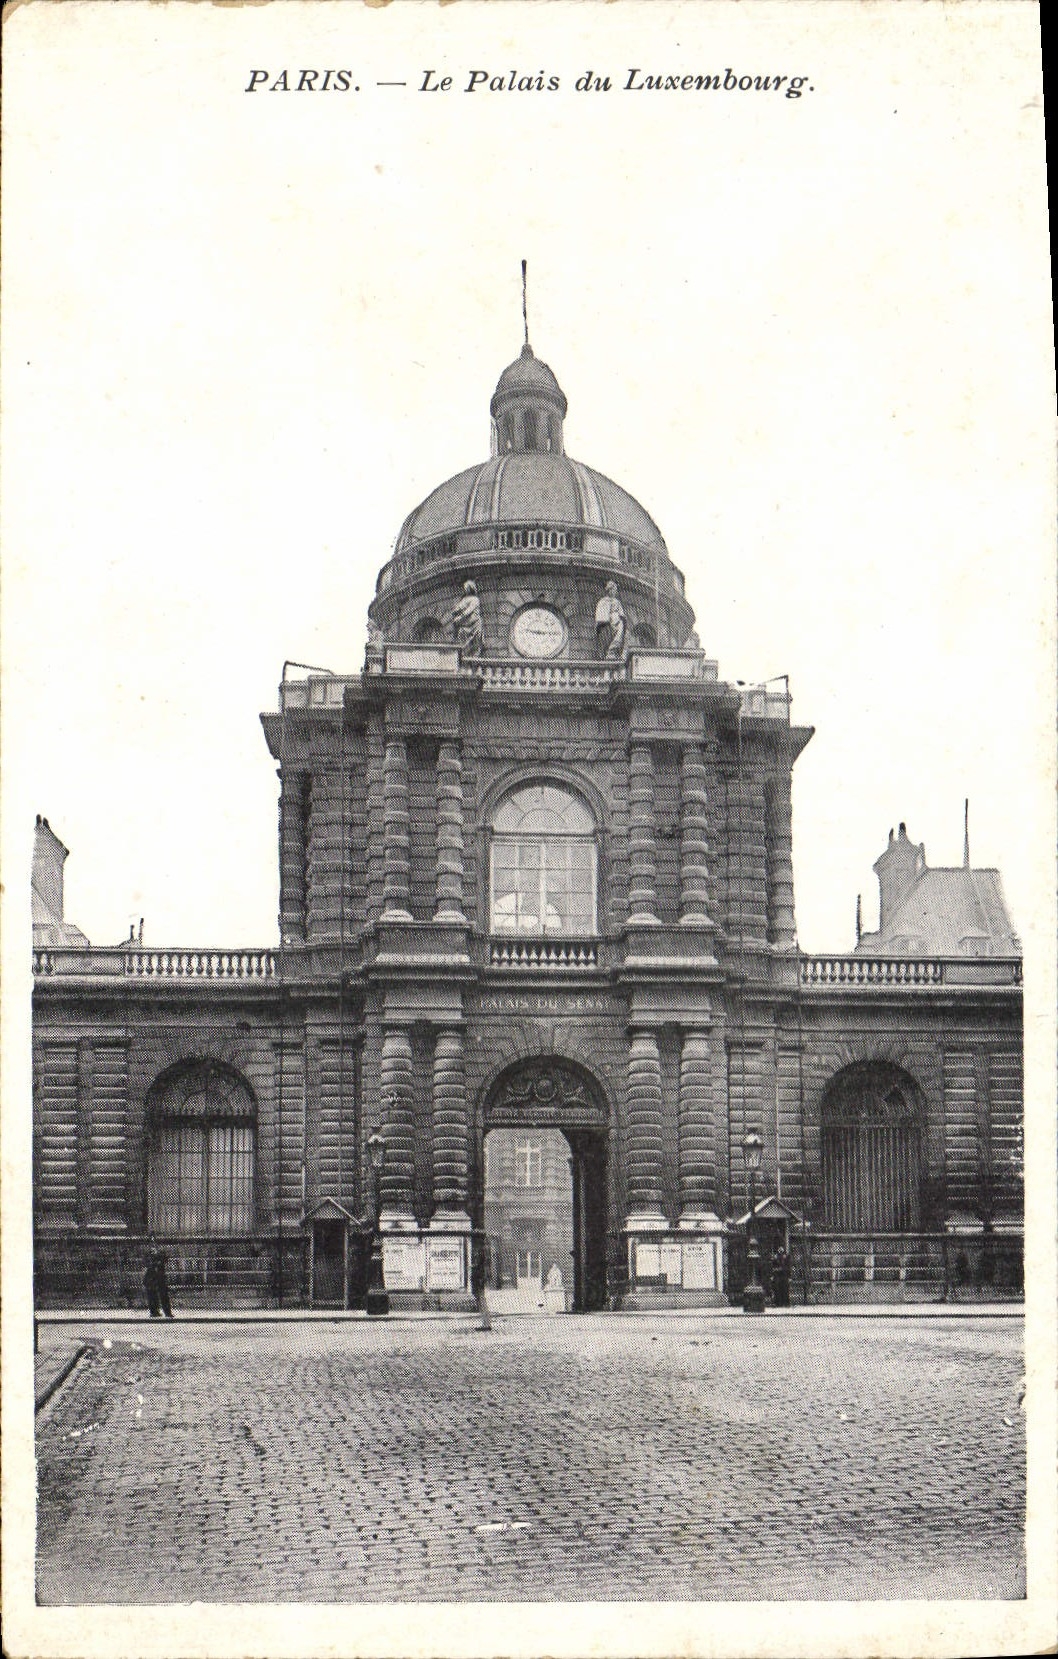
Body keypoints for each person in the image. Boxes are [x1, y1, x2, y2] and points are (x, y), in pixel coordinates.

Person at [451, 581, 484, 658]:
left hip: (472, 620)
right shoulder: (464, 599)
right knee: (459, 631)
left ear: (471, 588)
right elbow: (458, 608)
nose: (465, 589)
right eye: (465, 588)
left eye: (467, 587)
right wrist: (456, 610)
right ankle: (462, 652)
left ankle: (472, 653)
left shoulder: (475, 599)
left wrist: (461, 616)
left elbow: (470, 610)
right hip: (465, 621)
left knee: (475, 640)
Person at [144, 1236, 174, 1319]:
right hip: (151, 1276)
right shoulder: (148, 1253)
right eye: (151, 1242)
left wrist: (157, 1260)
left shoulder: (161, 1252)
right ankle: (154, 1312)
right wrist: (154, 1262)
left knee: (164, 1294)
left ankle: (167, 1312)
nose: (153, 1244)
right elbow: (146, 1263)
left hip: (160, 1276)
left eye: (155, 1242)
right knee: (152, 1295)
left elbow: (165, 1260)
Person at [594, 580, 626, 659]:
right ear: (609, 590)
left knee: (618, 638)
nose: (615, 592)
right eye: (614, 590)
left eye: (615, 590)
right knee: (606, 639)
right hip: (607, 624)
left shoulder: (617, 602)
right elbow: (600, 616)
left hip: (617, 623)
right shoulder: (602, 601)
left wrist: (620, 618)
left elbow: (622, 614)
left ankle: (613, 652)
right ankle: (608, 653)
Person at [771, 1243, 791, 1308]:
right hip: (777, 1275)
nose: (780, 1249)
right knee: (777, 1289)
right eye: (779, 1248)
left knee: (785, 1289)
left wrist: (789, 1276)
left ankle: (786, 1303)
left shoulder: (786, 1256)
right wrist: (772, 1275)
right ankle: (778, 1303)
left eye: (781, 1248)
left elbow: (788, 1266)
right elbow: (772, 1267)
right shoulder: (775, 1257)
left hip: (785, 1275)